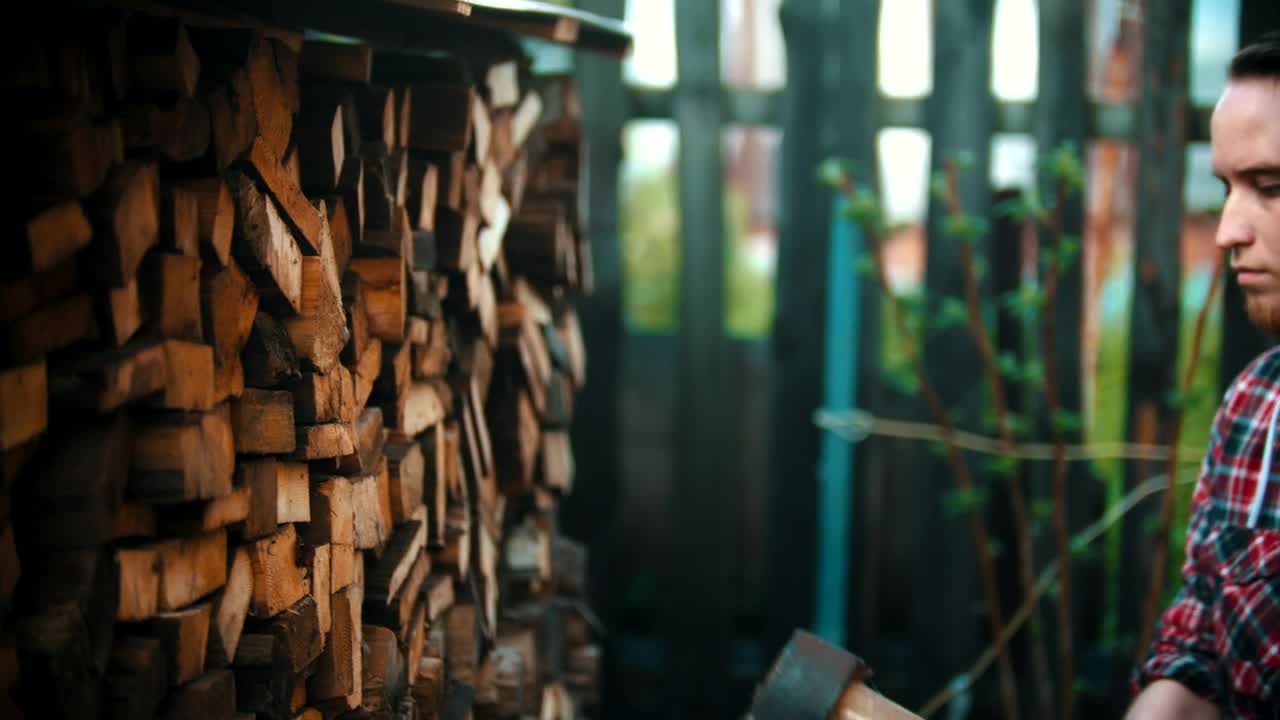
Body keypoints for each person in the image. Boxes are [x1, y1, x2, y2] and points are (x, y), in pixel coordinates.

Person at [1127, 31, 1280, 720]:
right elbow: (1203, 649)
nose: (1227, 230)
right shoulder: (1254, 408)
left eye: (1270, 188)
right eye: (1226, 187)